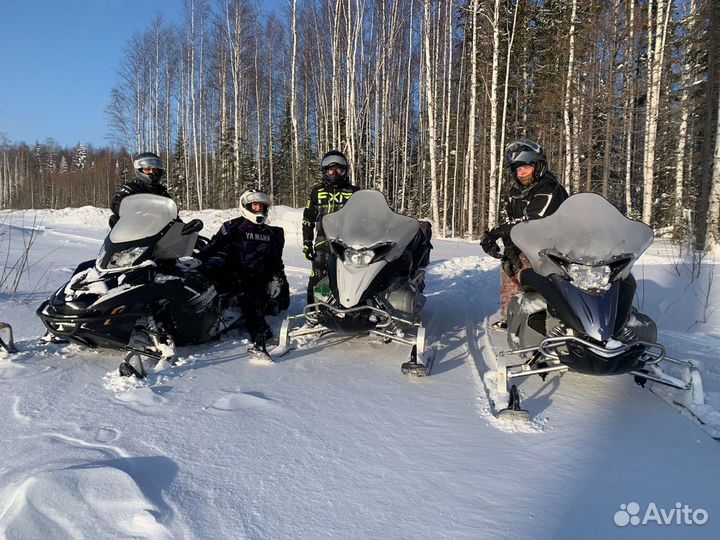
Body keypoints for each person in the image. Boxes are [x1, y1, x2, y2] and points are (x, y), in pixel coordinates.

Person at [481, 139, 568, 329]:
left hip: (555, 248)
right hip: (531, 246)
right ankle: (512, 317)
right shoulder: (516, 191)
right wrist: (509, 248)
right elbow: (510, 220)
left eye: (526, 168)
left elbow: (532, 222)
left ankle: (544, 318)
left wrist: (497, 232)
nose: (521, 173)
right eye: (518, 169)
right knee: (510, 266)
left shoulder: (549, 188)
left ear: (537, 166)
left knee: (526, 270)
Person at [197, 189, 289, 356]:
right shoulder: (233, 227)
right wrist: (197, 260)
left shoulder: (271, 233)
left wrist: (277, 277)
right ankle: (260, 333)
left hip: (260, 275)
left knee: (281, 303)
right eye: (254, 206)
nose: (258, 209)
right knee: (248, 296)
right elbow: (213, 246)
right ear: (246, 206)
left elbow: (275, 260)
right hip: (234, 273)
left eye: (261, 206)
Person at [302, 150, 359, 304]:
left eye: (338, 169)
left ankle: (353, 309)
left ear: (345, 170)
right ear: (325, 171)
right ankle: (316, 312)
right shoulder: (317, 192)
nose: (334, 173)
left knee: (353, 277)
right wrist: (307, 244)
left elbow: (366, 217)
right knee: (319, 279)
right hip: (323, 243)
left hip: (350, 244)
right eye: (331, 169)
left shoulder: (355, 192)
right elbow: (308, 219)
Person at [109, 152, 171, 228]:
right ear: (140, 170)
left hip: (158, 233)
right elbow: (116, 203)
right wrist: (134, 209)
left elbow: (171, 211)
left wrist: (180, 226)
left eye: (155, 170)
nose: (152, 172)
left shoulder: (162, 192)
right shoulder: (131, 188)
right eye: (147, 169)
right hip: (134, 231)